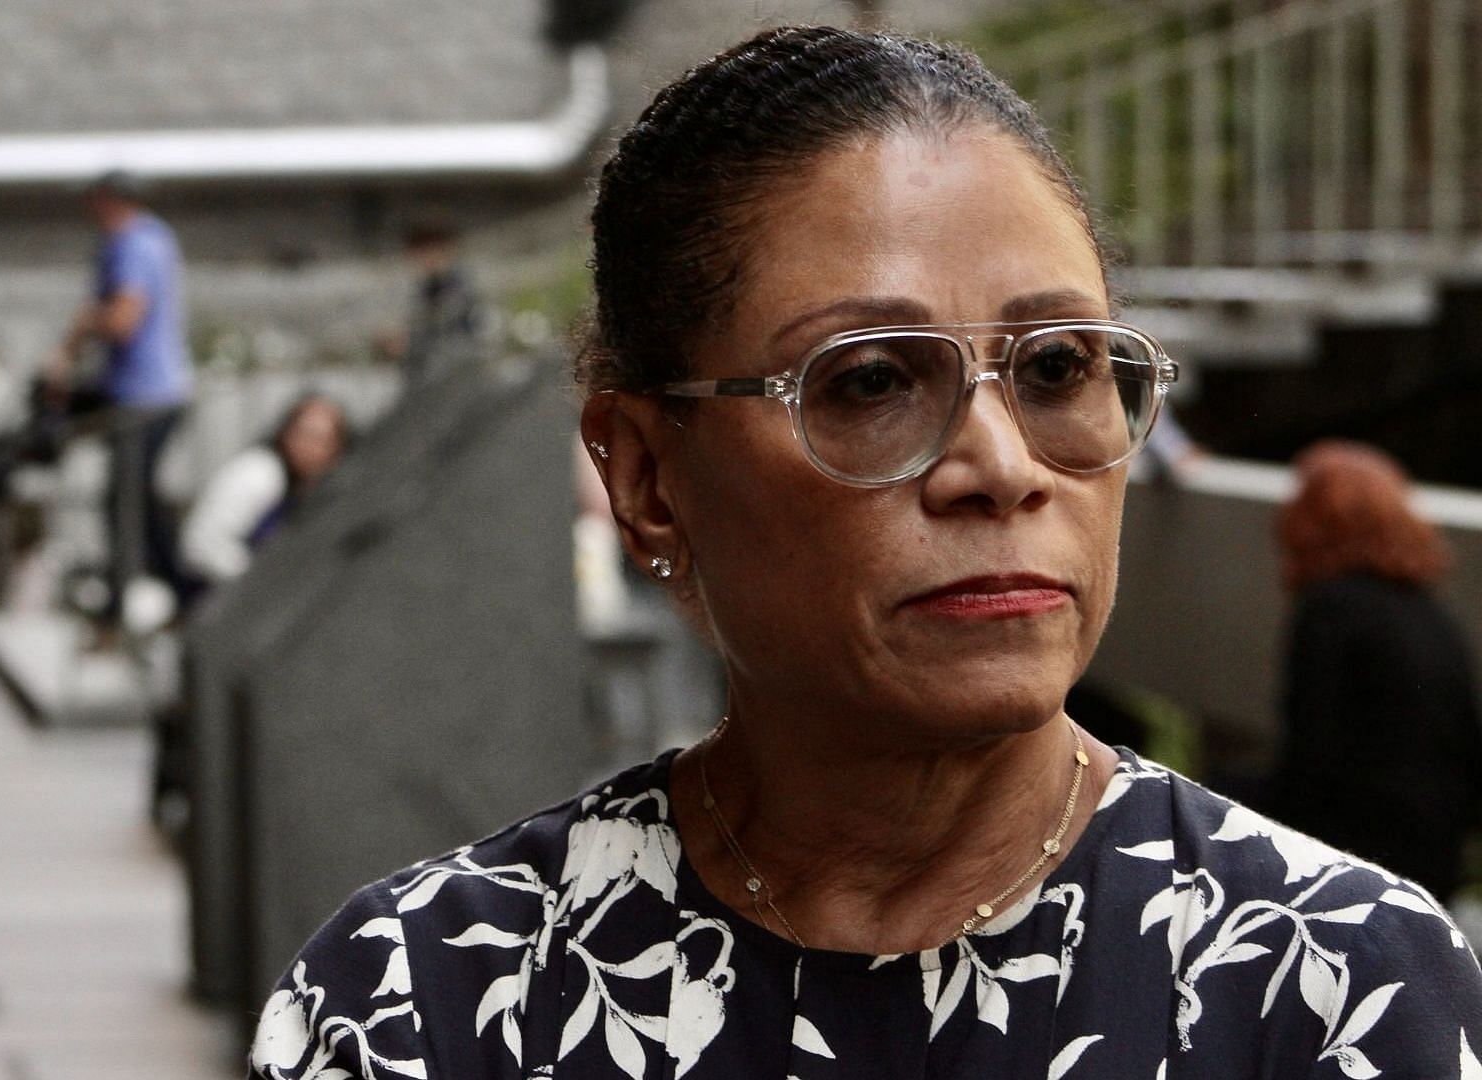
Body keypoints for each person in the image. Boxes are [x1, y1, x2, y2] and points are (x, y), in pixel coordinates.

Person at [251, 28, 1482, 1079]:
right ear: (645, 476)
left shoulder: (1332, 987)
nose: (1002, 464)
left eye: (1059, 367)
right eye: (872, 378)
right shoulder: (431, 1005)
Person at [1270, 441, 1482, 900]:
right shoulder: (1430, 611)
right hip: (1437, 856)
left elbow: (1308, 760)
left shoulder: (1329, 610)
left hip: (1361, 856)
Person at [48, 170, 194, 635]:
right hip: (154, 389)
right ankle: (174, 591)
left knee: (128, 502)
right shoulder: (155, 238)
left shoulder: (133, 243)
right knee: (140, 499)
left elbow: (124, 319)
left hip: (145, 393)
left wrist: (81, 328)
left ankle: (131, 603)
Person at [179, 395, 348, 590]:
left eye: (321, 440)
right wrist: (261, 581)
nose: (308, 446)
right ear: (285, 433)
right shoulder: (259, 473)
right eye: (303, 433)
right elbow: (203, 544)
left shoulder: (313, 489)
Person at [397, 222, 489, 389]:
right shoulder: (427, 288)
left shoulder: (458, 285)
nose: (424, 259)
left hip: (455, 374)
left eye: (428, 250)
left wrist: (409, 341)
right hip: (430, 376)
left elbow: (448, 323)